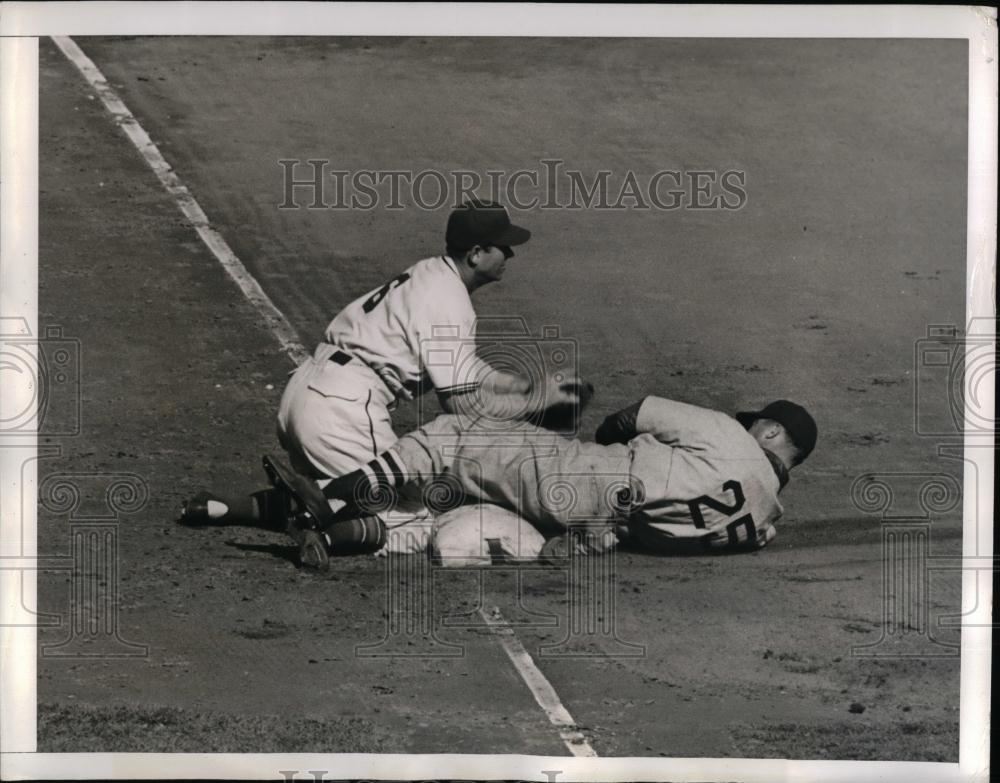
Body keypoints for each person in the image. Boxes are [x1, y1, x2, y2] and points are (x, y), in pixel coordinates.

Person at [181, 200, 579, 551]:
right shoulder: (448, 302)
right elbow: (460, 406)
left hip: (305, 392)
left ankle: (220, 507)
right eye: (502, 245)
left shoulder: (431, 274)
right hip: (344, 409)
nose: (510, 252)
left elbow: (469, 371)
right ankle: (316, 534)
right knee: (416, 516)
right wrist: (535, 404)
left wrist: (528, 386)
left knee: (334, 494)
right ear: (476, 253)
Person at [298, 396, 817, 567]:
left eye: (759, 424)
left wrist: (598, 443)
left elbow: (632, 415)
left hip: (582, 480)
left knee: (454, 436)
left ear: (770, 431)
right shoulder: (766, 524)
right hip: (593, 536)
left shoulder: (730, 434)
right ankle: (338, 536)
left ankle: (327, 500)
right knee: (452, 509)